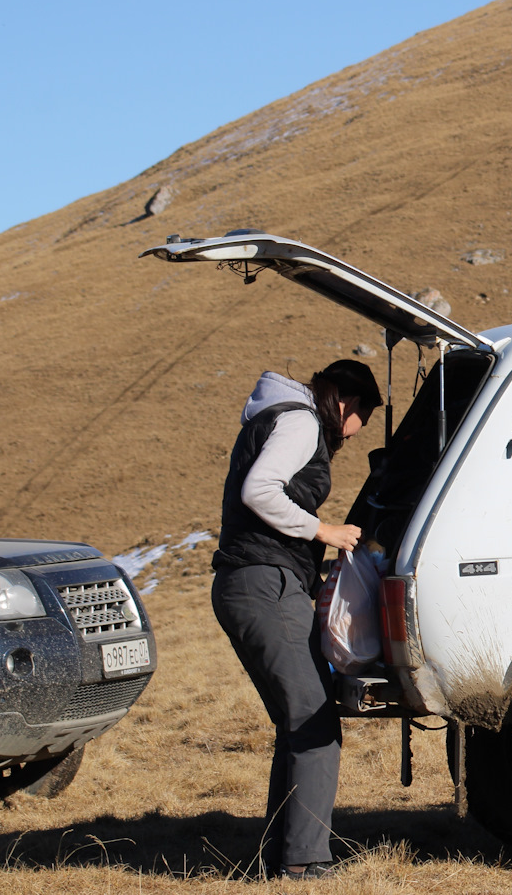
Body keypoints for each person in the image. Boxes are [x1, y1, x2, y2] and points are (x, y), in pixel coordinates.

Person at [211, 360, 382, 881]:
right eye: (363, 421)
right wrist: (321, 530)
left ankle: (281, 858)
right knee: (314, 723)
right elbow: (259, 490)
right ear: (349, 404)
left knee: (297, 723)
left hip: (257, 581)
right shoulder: (301, 420)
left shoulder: (279, 415)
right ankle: (305, 863)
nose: (354, 435)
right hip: (264, 584)